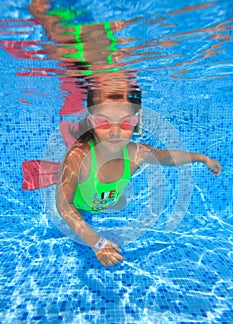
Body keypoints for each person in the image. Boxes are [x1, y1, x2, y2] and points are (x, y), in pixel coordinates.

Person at [56, 88, 222, 267]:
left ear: (136, 123)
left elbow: (166, 157)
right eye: (104, 123)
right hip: (80, 205)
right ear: (91, 123)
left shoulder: (136, 154)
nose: (115, 132)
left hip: (104, 201)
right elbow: (64, 205)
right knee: (77, 218)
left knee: (114, 203)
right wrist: (96, 242)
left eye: (126, 123)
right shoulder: (79, 156)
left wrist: (201, 158)